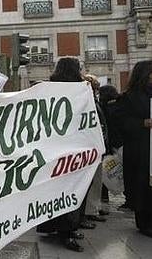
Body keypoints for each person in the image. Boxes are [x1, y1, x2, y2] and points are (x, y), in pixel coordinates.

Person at [116, 60, 152, 238]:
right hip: (139, 148)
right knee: (143, 187)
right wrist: (143, 123)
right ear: (146, 74)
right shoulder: (129, 96)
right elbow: (121, 121)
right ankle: (145, 223)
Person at [36, 57, 86, 252]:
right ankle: (65, 232)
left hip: (65, 148)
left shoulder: (77, 88)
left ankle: (66, 228)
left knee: (68, 190)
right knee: (66, 190)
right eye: (79, 67)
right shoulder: (68, 89)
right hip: (65, 148)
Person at [83, 75, 109, 223]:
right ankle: (90, 210)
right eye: (94, 88)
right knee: (91, 181)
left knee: (97, 180)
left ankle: (94, 208)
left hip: (98, 145)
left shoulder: (95, 101)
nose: (95, 90)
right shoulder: (88, 101)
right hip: (91, 146)